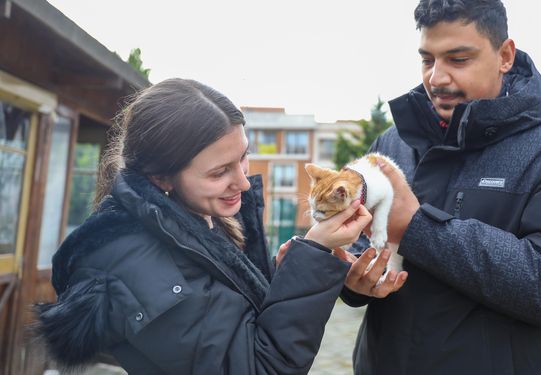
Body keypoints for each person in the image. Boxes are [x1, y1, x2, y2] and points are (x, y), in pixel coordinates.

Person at [35, 78, 372, 375]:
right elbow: (261, 366)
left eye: (243, 157)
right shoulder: (135, 266)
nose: (242, 182)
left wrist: (288, 276)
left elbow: (237, 321)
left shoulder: (204, 216)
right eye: (219, 172)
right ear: (161, 177)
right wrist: (313, 252)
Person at [339, 1, 541, 374]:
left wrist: (418, 229)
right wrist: (351, 278)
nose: (437, 78)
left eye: (458, 59)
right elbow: (357, 246)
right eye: (427, 60)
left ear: (505, 56)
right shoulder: (391, 144)